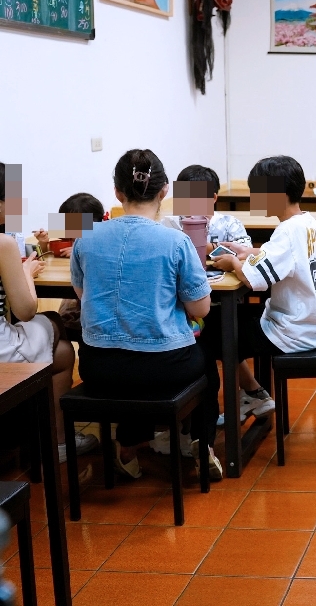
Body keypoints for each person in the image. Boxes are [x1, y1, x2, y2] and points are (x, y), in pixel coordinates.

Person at [71, 149, 223, 480]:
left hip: (98, 366)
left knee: (132, 362)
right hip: (166, 366)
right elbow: (201, 308)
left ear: (117, 193)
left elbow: (83, 298)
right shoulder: (176, 242)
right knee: (204, 364)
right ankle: (203, 443)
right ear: (165, 191)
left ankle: (127, 449)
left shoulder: (85, 241)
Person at [160, 164, 271, 446]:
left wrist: (211, 248)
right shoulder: (170, 225)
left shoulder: (228, 224)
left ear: (214, 198)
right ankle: (251, 392)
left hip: (219, 300)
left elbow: (248, 257)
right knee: (206, 331)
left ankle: (202, 421)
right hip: (184, 301)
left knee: (214, 330)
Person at [209, 156, 316, 393]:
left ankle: (251, 396)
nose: (253, 199)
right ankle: (255, 393)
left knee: (214, 333)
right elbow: (290, 256)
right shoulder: (306, 221)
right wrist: (251, 251)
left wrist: (233, 263)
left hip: (293, 332)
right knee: (228, 321)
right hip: (314, 323)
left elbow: (251, 278)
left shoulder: (286, 231)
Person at [0, 163, 89, 462]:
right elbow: (26, 310)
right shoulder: (4, 244)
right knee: (51, 323)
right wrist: (25, 270)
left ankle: (36, 434)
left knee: (62, 352)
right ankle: (57, 442)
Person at [34, 193, 105, 345]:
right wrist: (43, 244)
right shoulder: (68, 237)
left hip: (92, 298)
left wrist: (78, 251)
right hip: (73, 292)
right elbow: (49, 258)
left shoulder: (99, 240)